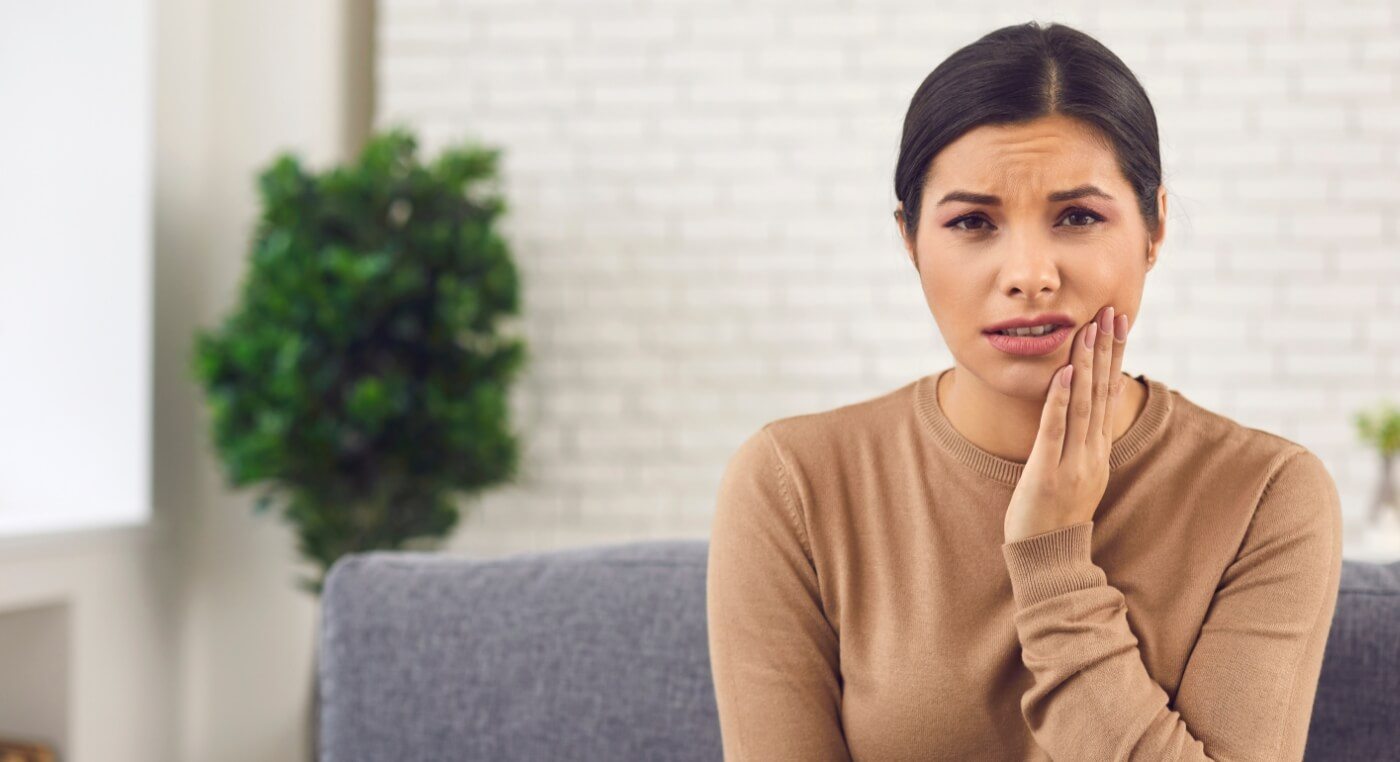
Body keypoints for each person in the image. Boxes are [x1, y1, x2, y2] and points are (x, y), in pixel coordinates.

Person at [705, 20, 1343, 762]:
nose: (1029, 273)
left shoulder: (1265, 493)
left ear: (1155, 227)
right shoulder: (794, 481)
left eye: (1078, 217)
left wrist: (1053, 562)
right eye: (973, 222)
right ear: (910, 240)